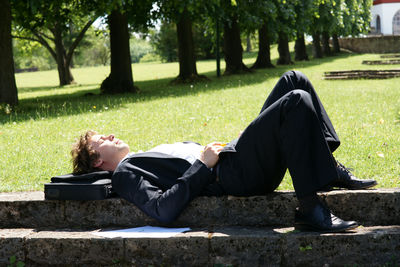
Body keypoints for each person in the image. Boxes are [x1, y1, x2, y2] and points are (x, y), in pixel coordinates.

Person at [71, 71, 377, 233]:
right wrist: (202, 166)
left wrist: (235, 143)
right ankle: (309, 208)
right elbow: (161, 210)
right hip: (231, 176)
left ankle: (327, 167)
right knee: (295, 100)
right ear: (98, 160)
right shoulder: (126, 173)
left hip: (233, 159)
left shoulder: (138, 157)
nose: (110, 135)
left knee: (294, 80)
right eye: (102, 139)